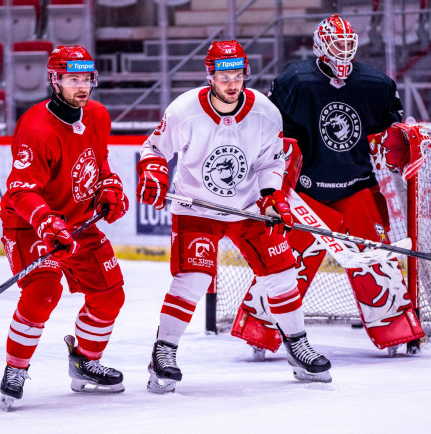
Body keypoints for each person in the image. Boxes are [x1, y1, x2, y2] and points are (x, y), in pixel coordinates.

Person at [136, 40, 332, 394]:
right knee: (192, 280)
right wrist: (153, 172)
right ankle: (163, 352)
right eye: (224, 75)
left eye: (238, 75)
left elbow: (271, 162)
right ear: (209, 76)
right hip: (195, 207)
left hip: (248, 210)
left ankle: (297, 345)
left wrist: (272, 196)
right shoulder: (184, 111)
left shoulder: (266, 112)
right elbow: (153, 148)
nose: (232, 83)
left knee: (283, 273)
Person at [232, 14, 427, 358]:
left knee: (375, 261)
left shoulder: (375, 83)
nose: (343, 51)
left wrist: (401, 141)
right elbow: (270, 131)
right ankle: (259, 332)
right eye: (336, 44)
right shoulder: (295, 80)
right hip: (307, 193)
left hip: (356, 189)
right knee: (285, 262)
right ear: (321, 47)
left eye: (347, 44)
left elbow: (391, 132)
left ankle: (398, 331)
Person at [0, 45, 129, 410]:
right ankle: (16, 368)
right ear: (55, 80)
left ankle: (85, 362)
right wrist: (47, 222)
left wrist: (110, 186)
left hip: (77, 224)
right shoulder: (37, 129)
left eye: (86, 78)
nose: (82, 86)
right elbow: (20, 192)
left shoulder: (98, 115)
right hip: (30, 225)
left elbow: (98, 163)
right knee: (43, 292)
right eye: (73, 79)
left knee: (109, 295)